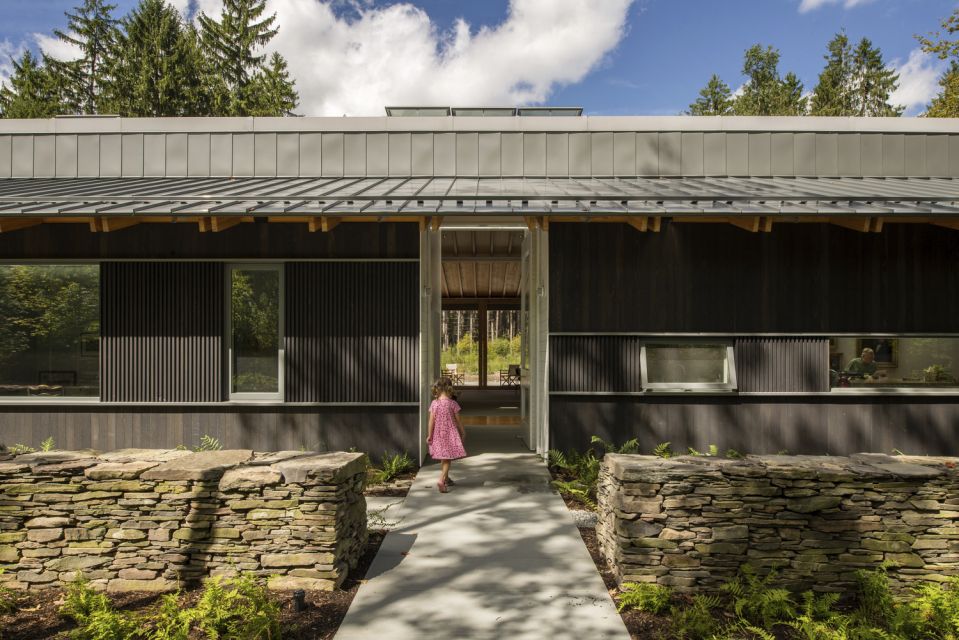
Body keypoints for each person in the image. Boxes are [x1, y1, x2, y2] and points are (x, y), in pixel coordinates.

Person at [427, 377, 467, 493]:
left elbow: (431, 421)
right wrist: (463, 432)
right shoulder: (453, 403)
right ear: (450, 389)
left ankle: (447, 478)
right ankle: (441, 479)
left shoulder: (434, 403)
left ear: (437, 389)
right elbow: (458, 420)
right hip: (450, 434)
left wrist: (430, 435)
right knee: (448, 459)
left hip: (438, 434)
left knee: (443, 457)